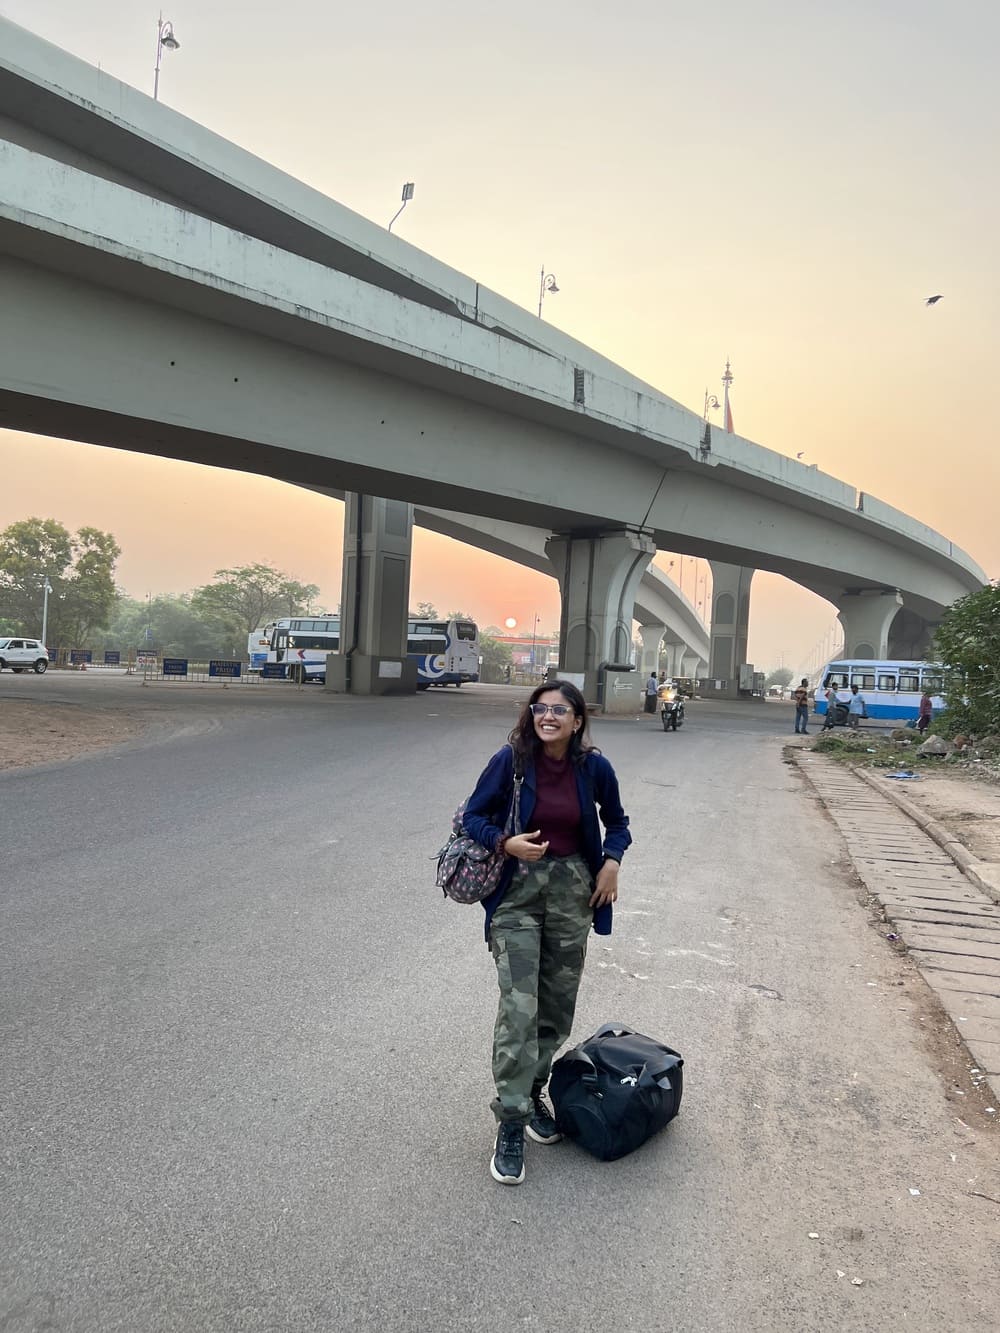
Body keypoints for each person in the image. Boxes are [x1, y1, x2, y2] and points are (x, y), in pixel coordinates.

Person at [462, 680, 632, 1186]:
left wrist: (612, 863)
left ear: (578, 720)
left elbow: (617, 822)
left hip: (572, 891)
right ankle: (511, 1120)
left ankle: (532, 1090)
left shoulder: (594, 768)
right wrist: (504, 841)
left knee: (556, 1008)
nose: (548, 716)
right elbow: (471, 817)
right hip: (517, 894)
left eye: (560, 710)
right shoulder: (511, 762)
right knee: (520, 1008)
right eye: (541, 708)